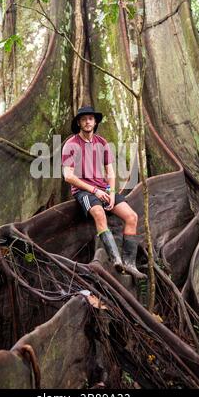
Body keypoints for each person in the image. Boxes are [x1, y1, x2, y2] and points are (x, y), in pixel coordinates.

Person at [62, 106, 145, 279]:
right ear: (79, 122)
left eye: (90, 118)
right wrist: (94, 190)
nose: (87, 122)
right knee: (99, 214)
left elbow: (110, 172)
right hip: (83, 191)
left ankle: (130, 264)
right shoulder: (71, 145)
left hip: (104, 189)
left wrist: (112, 193)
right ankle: (116, 260)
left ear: (95, 121)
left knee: (132, 217)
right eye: (84, 119)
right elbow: (68, 176)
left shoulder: (102, 143)